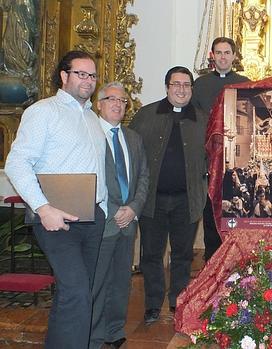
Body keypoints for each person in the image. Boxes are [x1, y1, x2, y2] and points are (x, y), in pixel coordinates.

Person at [4, 50, 107, 349]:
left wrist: (105, 208)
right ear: (64, 76)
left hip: (93, 217)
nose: (88, 80)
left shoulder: (92, 118)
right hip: (56, 219)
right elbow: (17, 163)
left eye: (92, 75)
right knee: (76, 291)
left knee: (76, 292)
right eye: (81, 74)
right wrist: (43, 208)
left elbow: (97, 169)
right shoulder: (43, 111)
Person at [129, 66, 208, 324]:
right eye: (176, 84)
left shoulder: (202, 118)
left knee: (183, 255)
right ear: (167, 87)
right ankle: (153, 304)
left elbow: (214, 155)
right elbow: (131, 154)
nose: (181, 89)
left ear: (191, 89)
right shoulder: (146, 115)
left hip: (187, 199)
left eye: (186, 85)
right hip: (152, 200)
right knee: (151, 254)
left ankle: (178, 302)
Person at [89, 82, 149, 349]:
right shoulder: (88, 135)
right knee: (97, 282)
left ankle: (114, 331)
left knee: (121, 282)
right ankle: (94, 333)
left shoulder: (133, 137)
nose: (118, 105)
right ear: (98, 104)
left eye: (123, 101)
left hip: (128, 223)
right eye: (112, 99)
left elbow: (144, 176)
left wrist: (134, 207)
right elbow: (88, 179)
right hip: (102, 222)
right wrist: (115, 211)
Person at [192, 37, 250, 262]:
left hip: (236, 161)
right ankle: (211, 265)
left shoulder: (245, 83)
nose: (223, 57)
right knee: (211, 219)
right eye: (219, 52)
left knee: (237, 217)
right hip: (209, 160)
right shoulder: (200, 85)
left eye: (228, 52)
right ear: (212, 56)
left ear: (234, 56)